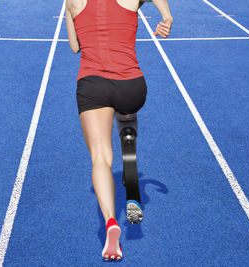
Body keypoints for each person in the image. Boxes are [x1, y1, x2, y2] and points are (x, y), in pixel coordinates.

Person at [66, 0, 172, 261]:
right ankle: (127, 129)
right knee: (126, 112)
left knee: (101, 157)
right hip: (131, 85)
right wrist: (166, 17)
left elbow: (75, 46)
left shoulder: (71, 1)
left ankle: (111, 221)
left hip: (92, 86)